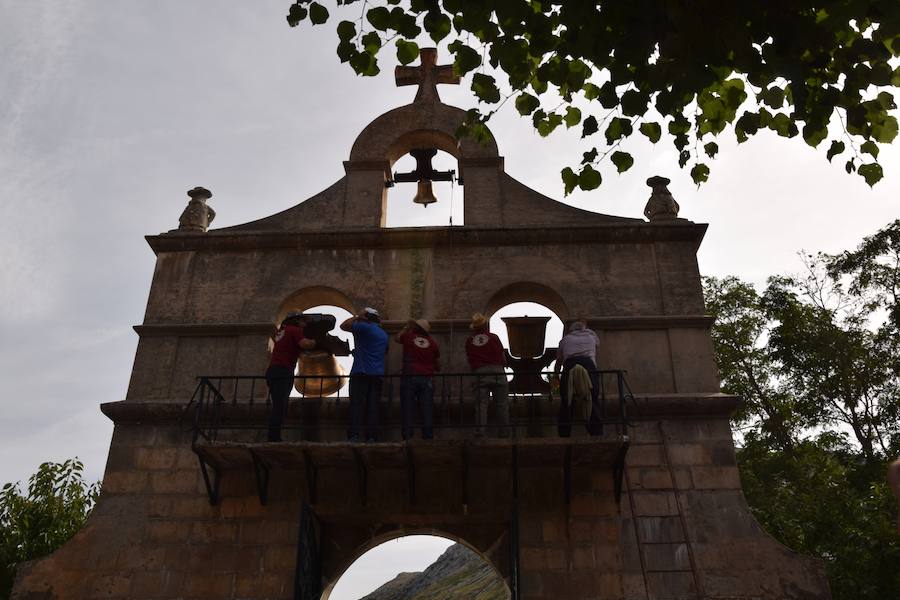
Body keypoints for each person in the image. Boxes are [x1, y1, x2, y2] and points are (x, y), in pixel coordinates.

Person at [340, 307, 389, 442]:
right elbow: (384, 352)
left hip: (361, 372)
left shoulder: (364, 327)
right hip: (377, 375)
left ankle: (354, 435)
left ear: (366, 317)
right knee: (373, 407)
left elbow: (343, 326)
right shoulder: (383, 334)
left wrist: (357, 316)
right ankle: (372, 436)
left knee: (356, 405)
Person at [266, 311, 316, 442]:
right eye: (303, 321)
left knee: (278, 404)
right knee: (280, 405)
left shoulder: (281, 332)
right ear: (296, 321)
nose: (305, 324)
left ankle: (273, 435)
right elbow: (305, 344)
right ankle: (274, 437)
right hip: (283, 371)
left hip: (274, 371)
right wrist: (316, 341)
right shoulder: (294, 330)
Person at [554, 320, 602, 437]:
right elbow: (597, 345)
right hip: (588, 367)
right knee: (592, 398)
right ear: (584, 329)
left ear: (571, 330)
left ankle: (564, 433)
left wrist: (556, 376)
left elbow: (559, 361)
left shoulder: (565, 340)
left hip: (570, 367)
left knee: (567, 400)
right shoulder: (591, 336)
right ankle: (596, 432)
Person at [465, 313, 510, 437]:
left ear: (474, 328)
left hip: (480, 372)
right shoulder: (494, 337)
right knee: (502, 405)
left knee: (481, 404)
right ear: (485, 325)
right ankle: (504, 434)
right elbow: (503, 357)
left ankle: (480, 433)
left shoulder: (470, 340)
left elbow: (469, 358)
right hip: (497, 371)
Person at [395, 318, 440, 440]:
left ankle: (408, 436)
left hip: (410, 376)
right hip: (427, 379)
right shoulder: (432, 343)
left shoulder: (408, 337)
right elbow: (437, 365)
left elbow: (397, 338)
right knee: (427, 409)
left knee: (408, 407)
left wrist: (405, 328)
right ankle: (428, 437)